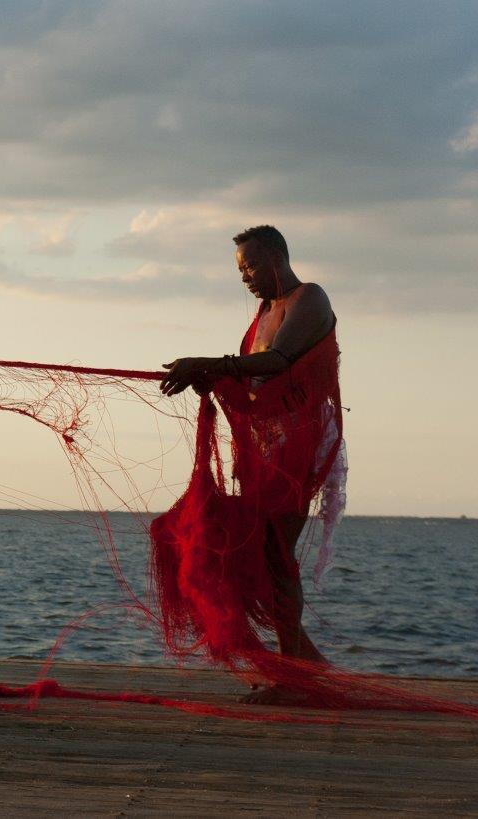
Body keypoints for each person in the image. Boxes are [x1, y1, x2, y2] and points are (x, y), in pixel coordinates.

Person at [158, 225, 344, 704]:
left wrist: (211, 363)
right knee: (260, 554)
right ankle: (306, 670)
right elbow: (253, 385)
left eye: (253, 265)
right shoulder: (261, 313)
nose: (247, 278)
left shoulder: (310, 298)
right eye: (241, 270)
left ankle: (295, 681)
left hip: (300, 449)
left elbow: (278, 362)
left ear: (279, 257)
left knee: (278, 559)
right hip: (267, 449)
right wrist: (209, 379)